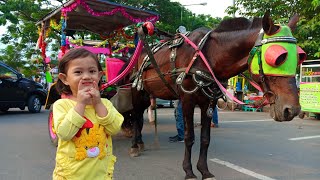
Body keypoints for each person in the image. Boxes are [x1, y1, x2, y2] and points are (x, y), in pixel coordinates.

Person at [52, 48, 124, 180]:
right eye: (78, 72)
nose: (86, 76)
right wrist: (81, 104)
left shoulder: (106, 104)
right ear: (64, 79)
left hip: (101, 175)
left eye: (92, 71)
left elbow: (114, 129)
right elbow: (65, 133)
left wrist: (97, 104)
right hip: (70, 175)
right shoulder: (62, 105)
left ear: (99, 75)